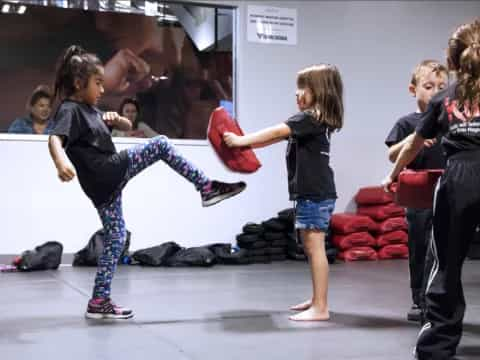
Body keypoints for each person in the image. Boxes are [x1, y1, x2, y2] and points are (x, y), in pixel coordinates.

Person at [48, 45, 246, 320]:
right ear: (79, 83)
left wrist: (118, 119)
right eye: (97, 83)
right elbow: (55, 139)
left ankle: (98, 300)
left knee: (116, 238)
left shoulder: (92, 110)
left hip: (104, 187)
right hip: (106, 172)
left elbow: (128, 128)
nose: (103, 89)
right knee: (160, 144)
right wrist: (61, 163)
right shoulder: (71, 110)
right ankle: (206, 187)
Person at [382, 20, 480, 360]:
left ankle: (436, 346)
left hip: (458, 178)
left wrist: (393, 175)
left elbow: (412, 146)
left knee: (446, 263)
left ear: (452, 64)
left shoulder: (444, 98)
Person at [224, 64, 343, 321]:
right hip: (313, 192)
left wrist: (241, 141)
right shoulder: (313, 121)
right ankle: (316, 299)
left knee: (315, 248)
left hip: (315, 193)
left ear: (319, 91)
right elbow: (276, 138)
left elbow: (277, 131)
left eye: (303, 88)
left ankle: (321, 307)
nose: (297, 93)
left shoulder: (310, 118)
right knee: (311, 248)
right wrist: (246, 146)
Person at [384, 60, 448, 322]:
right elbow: (391, 155)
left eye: (442, 87)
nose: (436, 92)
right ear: (413, 89)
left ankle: (438, 298)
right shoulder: (406, 123)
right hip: (418, 195)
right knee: (419, 245)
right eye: (429, 86)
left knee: (444, 247)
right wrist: (415, 140)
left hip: (446, 189)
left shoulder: (449, 120)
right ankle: (418, 299)